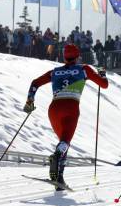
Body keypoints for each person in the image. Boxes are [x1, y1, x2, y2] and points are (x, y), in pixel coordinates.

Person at [23, 44, 108, 189]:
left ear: (64, 56)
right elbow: (104, 85)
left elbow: (35, 83)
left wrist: (30, 102)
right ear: (77, 56)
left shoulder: (54, 72)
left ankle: (59, 179)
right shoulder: (84, 69)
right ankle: (56, 159)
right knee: (65, 142)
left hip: (54, 109)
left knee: (63, 143)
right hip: (71, 107)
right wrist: (102, 73)